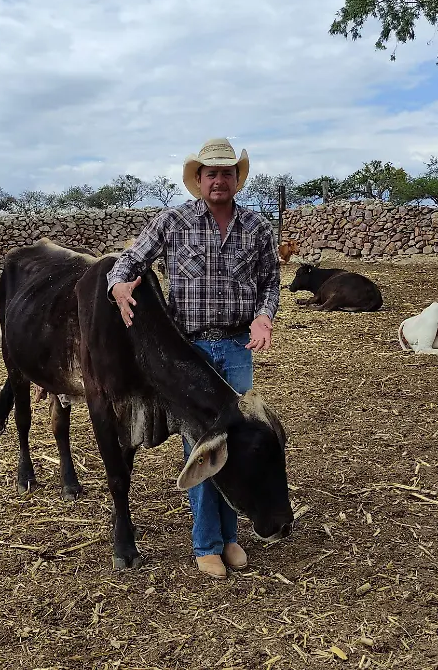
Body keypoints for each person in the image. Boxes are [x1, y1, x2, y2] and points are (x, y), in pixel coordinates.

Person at [105, 137, 280, 579]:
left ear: (236, 180)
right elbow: (126, 264)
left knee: (236, 445)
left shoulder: (258, 229)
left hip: (240, 346)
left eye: (225, 172)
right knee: (202, 447)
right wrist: (119, 287)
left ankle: (230, 537)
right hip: (190, 351)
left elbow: (271, 285)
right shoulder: (173, 221)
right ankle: (206, 543)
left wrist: (263, 319)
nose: (218, 180)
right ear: (198, 180)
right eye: (209, 173)